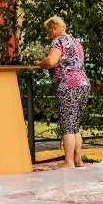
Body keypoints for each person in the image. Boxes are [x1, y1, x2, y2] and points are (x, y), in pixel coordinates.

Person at [36, 16, 90, 169]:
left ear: (53, 28)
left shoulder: (58, 41)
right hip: (83, 84)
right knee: (75, 126)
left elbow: (51, 61)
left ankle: (68, 162)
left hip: (68, 86)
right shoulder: (76, 42)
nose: (48, 35)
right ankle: (78, 160)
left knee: (67, 125)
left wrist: (40, 64)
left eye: (48, 32)